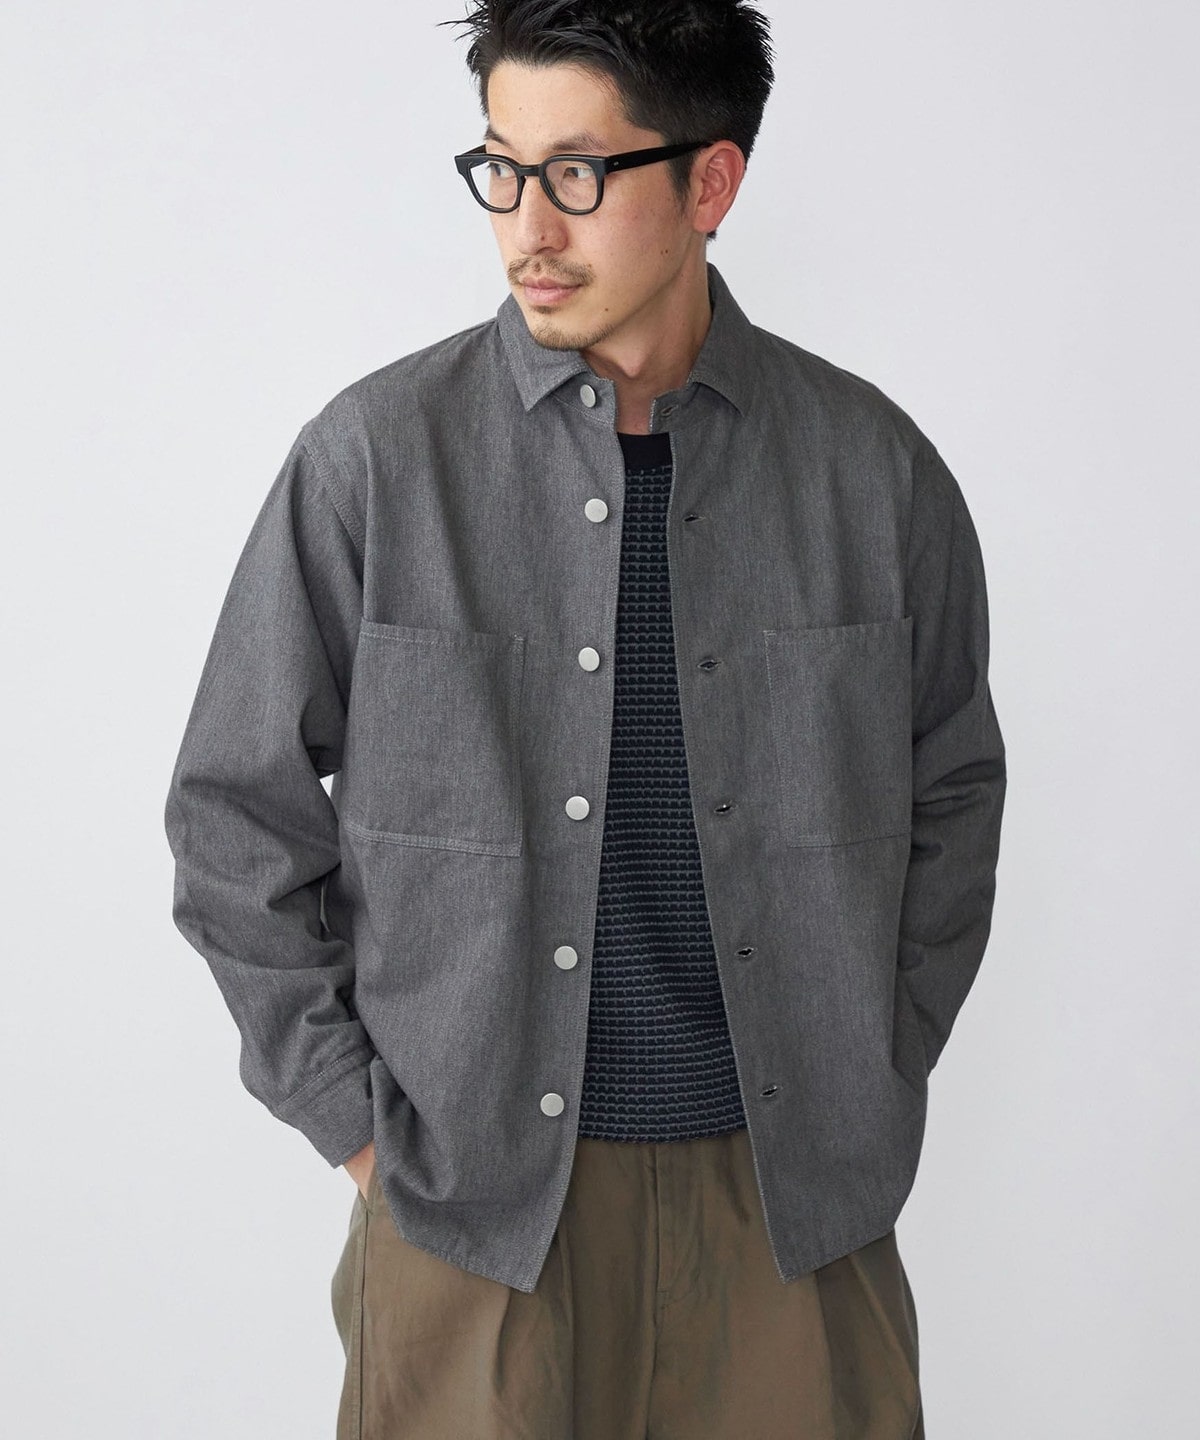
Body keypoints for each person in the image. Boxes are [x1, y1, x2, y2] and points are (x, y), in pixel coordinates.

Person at [163, 2, 1006, 1435]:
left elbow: (954, 797)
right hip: (472, 1223)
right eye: (501, 168)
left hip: (796, 1213)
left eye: (576, 174)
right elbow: (232, 815)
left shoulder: (874, 472)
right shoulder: (376, 461)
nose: (527, 229)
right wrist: (360, 1131)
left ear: (711, 182)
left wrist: (873, 1070)